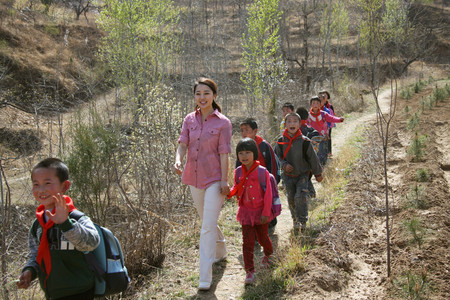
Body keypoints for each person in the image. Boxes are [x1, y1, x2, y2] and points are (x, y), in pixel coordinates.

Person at [173, 77, 232, 291]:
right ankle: (221, 249)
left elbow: (225, 153)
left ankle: (205, 277)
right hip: (193, 178)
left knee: (206, 227)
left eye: (206, 93)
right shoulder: (189, 119)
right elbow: (182, 143)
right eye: (198, 93)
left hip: (215, 179)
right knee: (206, 219)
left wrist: (225, 180)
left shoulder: (223, 122)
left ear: (214, 96)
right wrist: (178, 159)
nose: (202, 97)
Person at [17, 158, 100, 300]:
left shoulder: (76, 218)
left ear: (64, 186)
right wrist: (30, 271)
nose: (41, 189)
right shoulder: (38, 224)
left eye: (47, 183)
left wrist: (65, 223)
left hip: (80, 292)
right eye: (36, 184)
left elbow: (92, 243)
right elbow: (37, 255)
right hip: (52, 294)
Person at [228, 138, 273, 285]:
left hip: (261, 213)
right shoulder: (238, 171)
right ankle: (250, 271)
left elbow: (268, 195)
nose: (244, 156)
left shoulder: (262, 172)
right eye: (240, 153)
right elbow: (237, 188)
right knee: (247, 243)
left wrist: (266, 213)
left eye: (247, 152)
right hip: (246, 213)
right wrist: (227, 193)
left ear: (255, 153)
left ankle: (268, 254)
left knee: (263, 238)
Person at [275, 113, 323, 234]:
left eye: (295, 121)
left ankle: (303, 221)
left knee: (300, 196)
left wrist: (318, 174)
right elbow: (277, 157)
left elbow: (313, 159)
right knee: (291, 198)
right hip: (288, 176)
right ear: (285, 125)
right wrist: (284, 165)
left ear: (300, 124)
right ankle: (295, 219)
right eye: (289, 121)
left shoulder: (305, 142)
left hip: (303, 174)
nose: (292, 124)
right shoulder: (280, 141)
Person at [238, 118, 279, 235]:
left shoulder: (263, 145)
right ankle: (254, 231)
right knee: (253, 206)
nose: (244, 133)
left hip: (264, 182)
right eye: (242, 130)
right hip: (249, 184)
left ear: (255, 131)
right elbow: (238, 166)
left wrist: (273, 181)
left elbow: (272, 163)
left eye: (247, 130)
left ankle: (270, 224)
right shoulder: (241, 147)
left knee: (268, 203)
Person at [307, 96, 344, 166]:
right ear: (310, 104)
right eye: (313, 103)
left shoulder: (323, 114)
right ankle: (316, 166)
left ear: (320, 104)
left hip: (323, 137)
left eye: (317, 103)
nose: (315, 105)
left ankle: (323, 165)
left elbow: (331, 118)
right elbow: (306, 124)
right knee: (314, 152)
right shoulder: (308, 116)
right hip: (313, 138)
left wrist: (339, 119)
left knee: (323, 151)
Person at [319, 90, 335, 157]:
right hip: (320, 125)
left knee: (328, 137)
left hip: (328, 124)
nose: (324, 97)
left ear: (327, 97)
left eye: (325, 95)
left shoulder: (329, 106)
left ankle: (329, 152)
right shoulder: (317, 105)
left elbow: (332, 115)